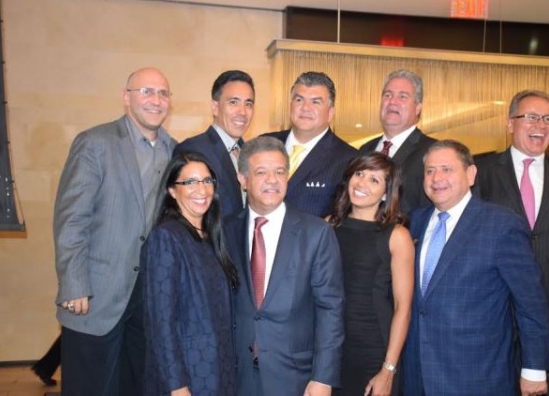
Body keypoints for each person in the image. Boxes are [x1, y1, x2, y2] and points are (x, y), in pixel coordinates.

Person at [54, 67, 176, 396]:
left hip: (145, 299)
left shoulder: (175, 151)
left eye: (163, 93)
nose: (156, 100)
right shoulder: (95, 143)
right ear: (126, 98)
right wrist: (74, 283)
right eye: (146, 92)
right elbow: (71, 218)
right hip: (95, 294)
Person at [401, 140, 549, 396]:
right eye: (430, 171)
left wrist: (534, 368)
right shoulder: (413, 222)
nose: (437, 178)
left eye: (447, 169)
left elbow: (530, 303)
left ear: (471, 175)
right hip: (417, 375)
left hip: (477, 375)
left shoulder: (502, 225)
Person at [475, 89, 549, 396]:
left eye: (548, 119)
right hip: (490, 312)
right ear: (509, 123)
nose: (540, 125)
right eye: (531, 117)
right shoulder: (479, 172)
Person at [224, 136, 344, 396]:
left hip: (295, 376)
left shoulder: (316, 233)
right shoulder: (224, 231)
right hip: (236, 375)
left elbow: (330, 309)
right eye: (261, 172)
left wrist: (323, 378)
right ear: (243, 180)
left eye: (280, 172)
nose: (272, 180)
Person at [141, 153, 238, 396]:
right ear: (172, 191)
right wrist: (177, 385)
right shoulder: (166, 238)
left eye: (207, 181)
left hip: (220, 370)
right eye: (190, 182)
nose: (201, 189)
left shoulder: (213, 237)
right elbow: (161, 321)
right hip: (188, 375)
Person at [327, 152, 414, 396]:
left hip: (373, 350)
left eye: (374, 180)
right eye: (359, 174)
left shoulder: (397, 236)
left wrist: (388, 369)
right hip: (329, 347)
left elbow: (403, 308)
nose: (362, 183)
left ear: (386, 192)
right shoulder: (327, 226)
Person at [264, 71, 357, 217]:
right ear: (290, 105)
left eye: (315, 102)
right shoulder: (265, 144)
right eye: (299, 100)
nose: (305, 108)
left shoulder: (349, 159)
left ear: (330, 112)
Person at [174, 70, 255, 218]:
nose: (242, 112)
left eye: (248, 104)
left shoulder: (251, 154)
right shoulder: (193, 151)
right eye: (233, 102)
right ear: (215, 107)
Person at [358, 69, 436, 214]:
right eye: (387, 95)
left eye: (403, 96)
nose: (392, 102)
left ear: (418, 108)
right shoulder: (365, 150)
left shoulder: (433, 152)